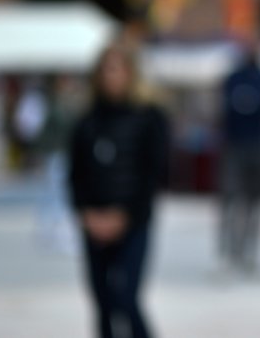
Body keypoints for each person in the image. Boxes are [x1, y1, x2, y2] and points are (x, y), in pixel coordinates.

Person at [68, 42, 169, 338]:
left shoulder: (148, 118)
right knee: (103, 303)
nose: (111, 77)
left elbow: (153, 174)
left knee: (126, 298)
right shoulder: (86, 121)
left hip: (132, 222)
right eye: (105, 70)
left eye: (117, 69)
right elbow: (76, 174)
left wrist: (123, 216)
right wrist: (87, 214)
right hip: (94, 222)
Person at [217, 37, 260, 273]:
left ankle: (248, 252)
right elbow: (222, 110)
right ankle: (228, 252)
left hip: (258, 146)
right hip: (234, 145)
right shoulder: (233, 79)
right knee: (231, 200)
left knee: (254, 203)